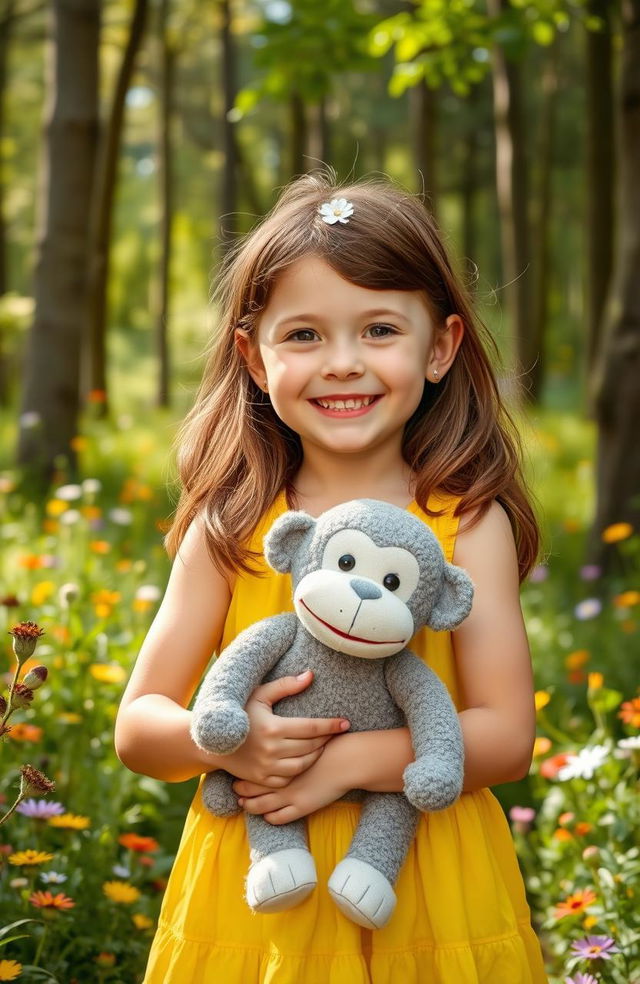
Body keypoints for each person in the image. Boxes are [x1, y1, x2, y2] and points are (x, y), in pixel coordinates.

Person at [115, 173, 548, 983]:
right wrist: (235, 745)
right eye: (305, 335)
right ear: (253, 356)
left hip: (428, 876)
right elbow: (139, 726)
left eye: (379, 329)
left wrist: (347, 764)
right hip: (258, 893)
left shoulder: (466, 522)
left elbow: (505, 735)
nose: (342, 364)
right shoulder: (232, 526)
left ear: (441, 347)